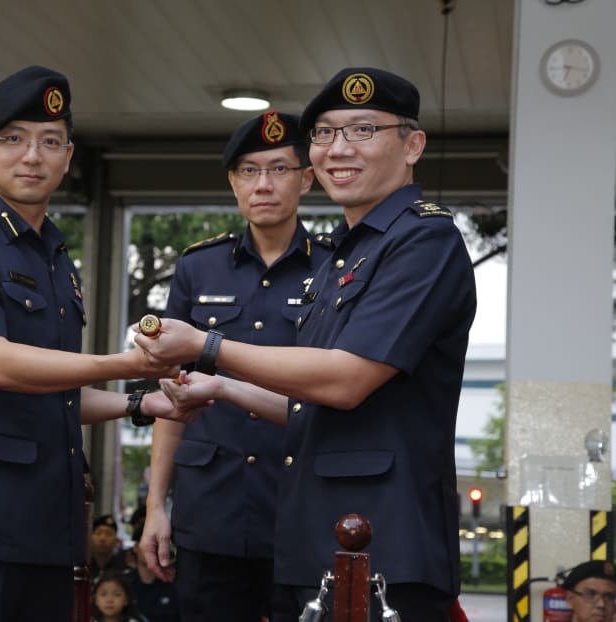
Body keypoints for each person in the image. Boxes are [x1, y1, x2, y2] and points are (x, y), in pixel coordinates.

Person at [135, 67, 477, 622]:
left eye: (362, 130)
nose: (339, 148)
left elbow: (346, 381)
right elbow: (308, 408)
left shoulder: (423, 239)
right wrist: (222, 387)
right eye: (324, 134)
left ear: (412, 145)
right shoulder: (348, 254)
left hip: (381, 544)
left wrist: (207, 345)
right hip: (319, 541)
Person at [0, 65, 183, 622]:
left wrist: (143, 402)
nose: (32, 155)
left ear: (68, 158)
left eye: (50, 142)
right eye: (13, 139)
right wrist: (127, 363)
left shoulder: (54, 257)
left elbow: (58, 393)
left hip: (46, 524)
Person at [140, 109, 331, 622]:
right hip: (211, 511)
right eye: (249, 171)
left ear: (307, 178)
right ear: (232, 181)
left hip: (301, 508)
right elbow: (171, 396)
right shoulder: (198, 266)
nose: (263, 184)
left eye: (279, 169)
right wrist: (156, 504)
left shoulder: (337, 268)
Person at [128, 523, 179, 622]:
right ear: (135, 547)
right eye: (145, 543)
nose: (151, 549)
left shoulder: (175, 583)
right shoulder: (124, 583)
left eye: (156, 544)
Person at [90, 514, 130, 581]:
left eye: (108, 534)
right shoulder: (84, 567)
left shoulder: (123, 569)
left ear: (116, 540)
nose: (102, 538)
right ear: (91, 538)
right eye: (98, 533)